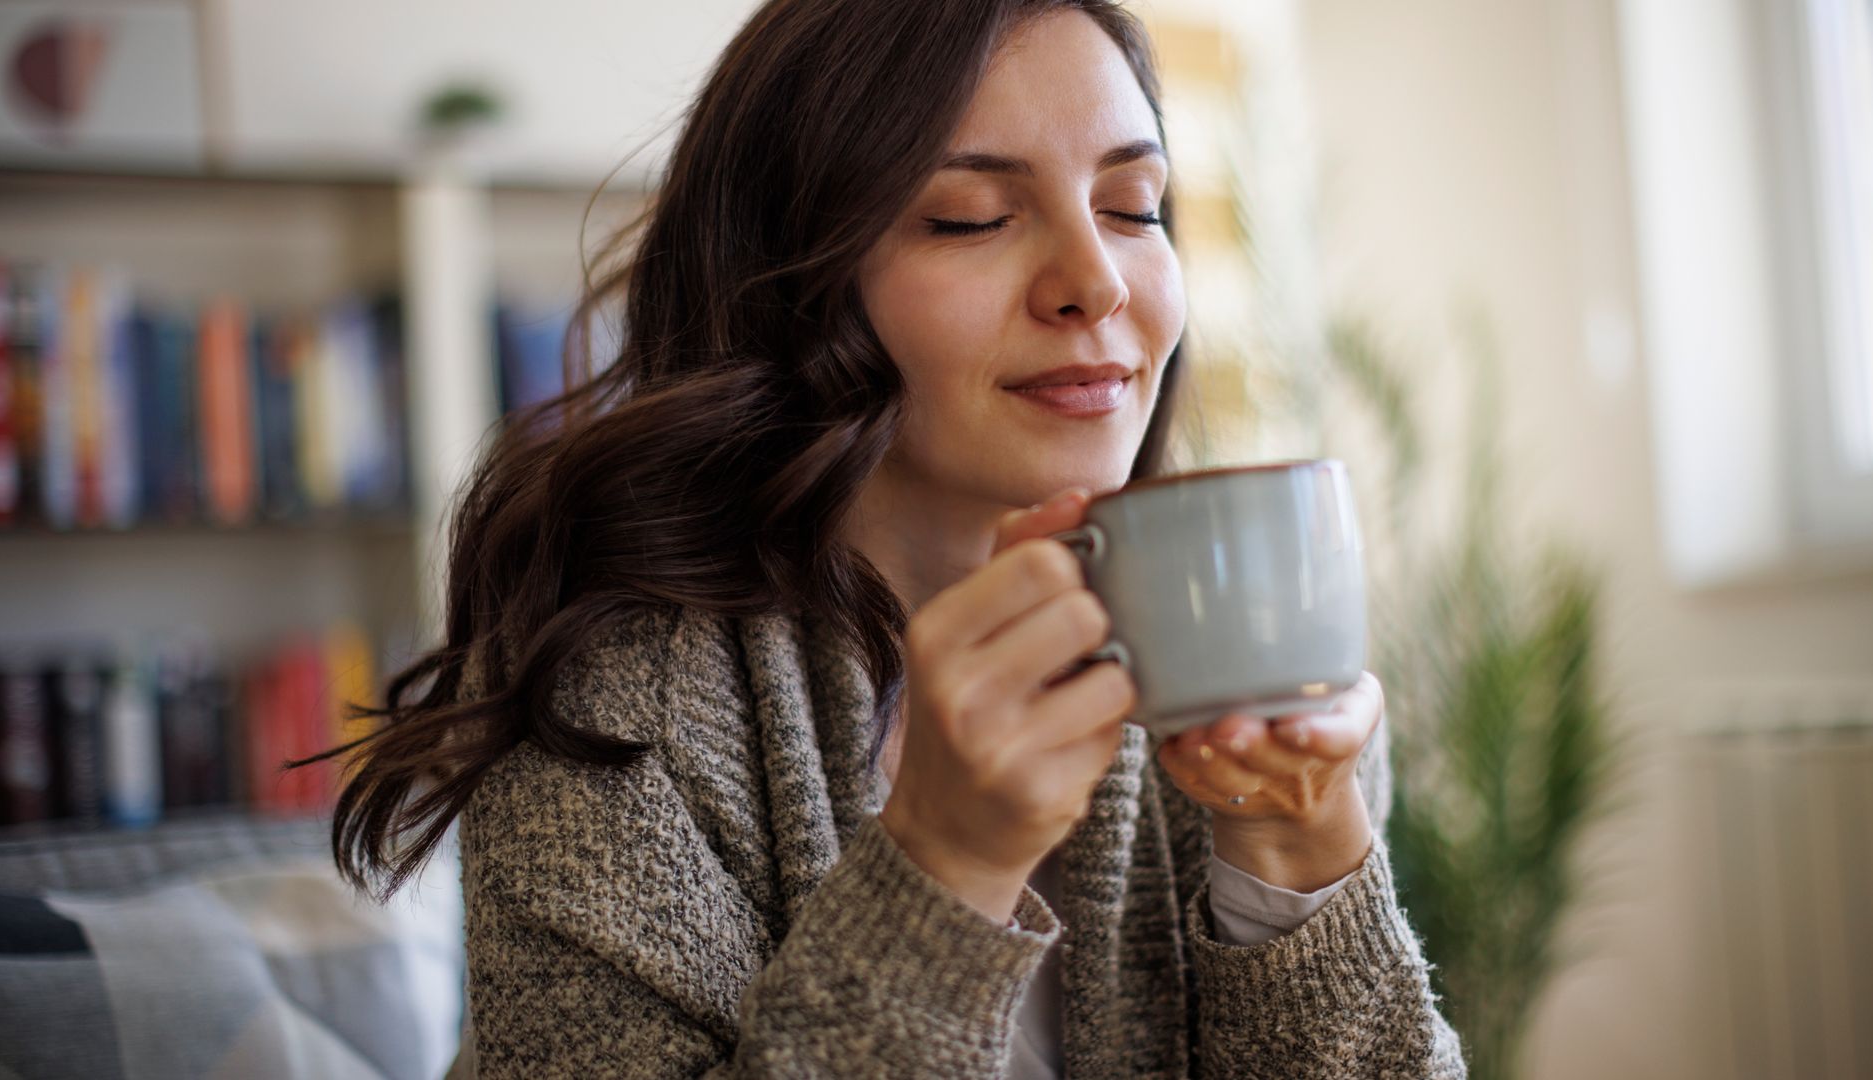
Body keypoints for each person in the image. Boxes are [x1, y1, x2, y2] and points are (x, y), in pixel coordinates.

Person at [308, 1, 1470, 1075]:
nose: (1097, 283)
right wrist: (945, 865)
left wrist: (1300, 857)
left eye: (1133, 207)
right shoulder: (613, 705)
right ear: (794, 283)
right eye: (971, 216)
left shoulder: (1244, 663)